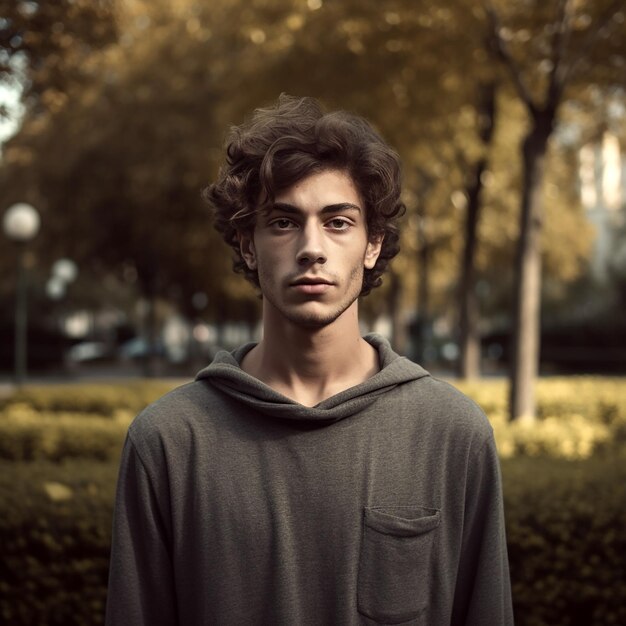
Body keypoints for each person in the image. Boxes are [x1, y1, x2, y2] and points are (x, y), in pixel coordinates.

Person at [105, 94, 514, 626]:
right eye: (282, 222)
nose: (311, 248)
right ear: (247, 246)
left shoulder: (453, 434)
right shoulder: (167, 442)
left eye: (339, 222)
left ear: (373, 244)